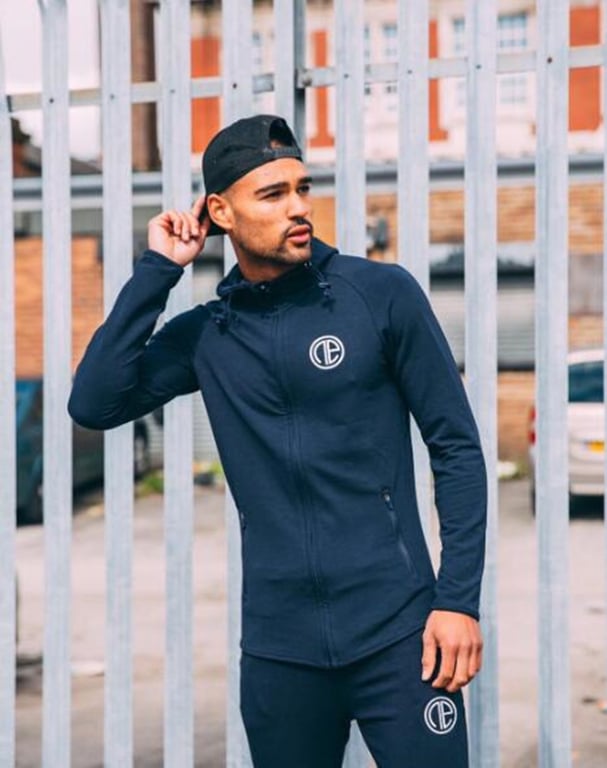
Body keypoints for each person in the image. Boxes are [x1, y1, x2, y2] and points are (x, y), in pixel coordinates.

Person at [68, 114, 486, 768]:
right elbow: (94, 402)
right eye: (272, 194)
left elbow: (455, 447)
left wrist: (456, 602)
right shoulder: (207, 335)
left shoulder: (378, 296)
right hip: (280, 649)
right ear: (220, 212)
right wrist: (158, 270)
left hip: (400, 634)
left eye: (302, 188)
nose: (298, 208)